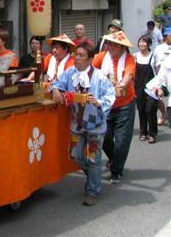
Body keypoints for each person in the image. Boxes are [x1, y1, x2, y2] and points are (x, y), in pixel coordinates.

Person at [49, 43, 115, 206]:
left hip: (96, 125)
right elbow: (56, 83)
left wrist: (98, 102)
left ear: (90, 59)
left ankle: (93, 190)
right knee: (75, 155)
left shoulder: (99, 77)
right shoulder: (70, 73)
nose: (76, 58)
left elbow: (110, 95)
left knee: (93, 159)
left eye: (81, 55)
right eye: (75, 55)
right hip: (77, 124)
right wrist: (56, 90)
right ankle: (94, 177)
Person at [92, 31, 136, 184]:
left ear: (122, 47)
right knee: (104, 137)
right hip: (106, 104)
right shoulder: (101, 57)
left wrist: (121, 84)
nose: (109, 47)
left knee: (122, 141)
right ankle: (114, 159)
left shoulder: (130, 59)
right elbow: (91, 70)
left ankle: (116, 170)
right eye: (108, 44)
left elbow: (128, 75)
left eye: (113, 45)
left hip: (125, 104)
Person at [133, 36, 158, 143]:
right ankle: (143, 132)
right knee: (141, 110)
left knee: (150, 110)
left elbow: (158, 72)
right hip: (138, 87)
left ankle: (152, 133)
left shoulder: (153, 56)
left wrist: (159, 86)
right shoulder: (135, 56)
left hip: (152, 87)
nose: (141, 44)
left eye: (144, 42)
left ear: (149, 44)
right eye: (140, 42)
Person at [152, 27, 171, 125]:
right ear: (165, 36)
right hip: (161, 76)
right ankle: (163, 114)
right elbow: (155, 64)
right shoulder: (159, 48)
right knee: (157, 97)